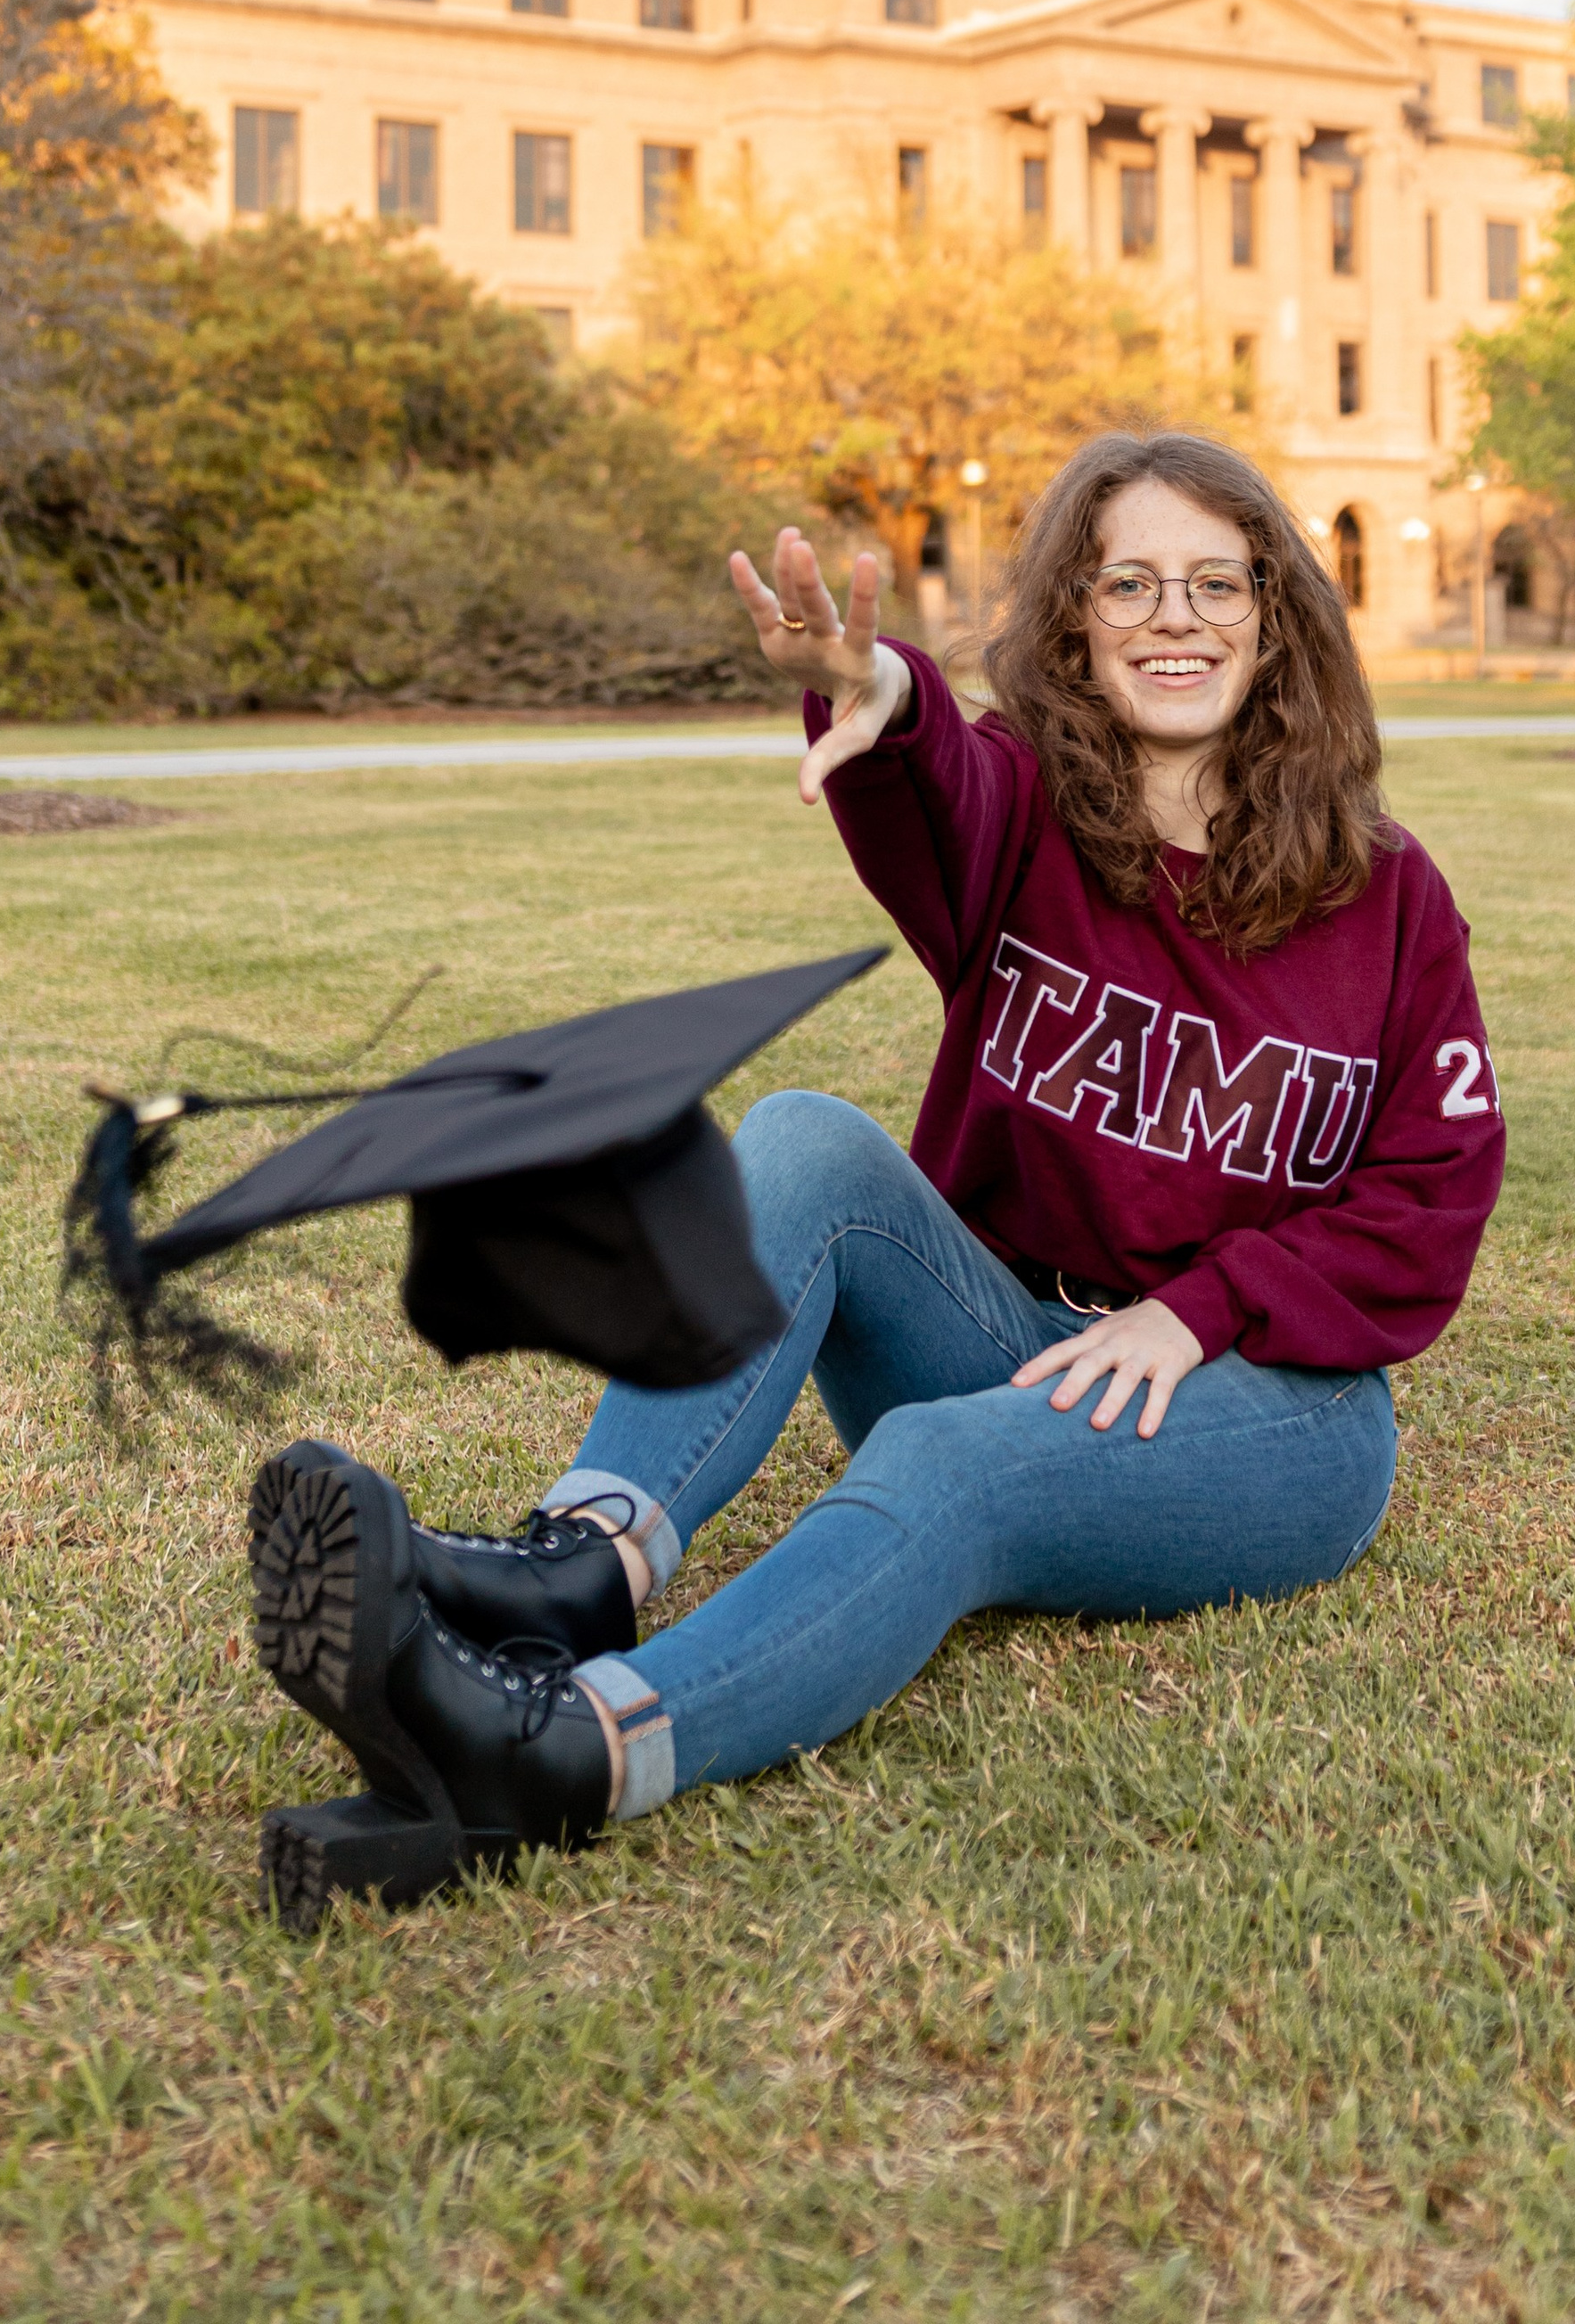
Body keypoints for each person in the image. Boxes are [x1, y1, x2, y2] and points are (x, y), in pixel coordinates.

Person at [250, 431, 1505, 1894]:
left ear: (1276, 616)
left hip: (1272, 1410)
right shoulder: (1026, 812)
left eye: (1217, 584)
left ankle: (563, 1751)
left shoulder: (1387, 894)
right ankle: (581, 1568)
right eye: (1131, 585)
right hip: (1016, 1335)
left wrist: (1200, 1311)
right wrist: (883, 692)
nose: (1177, 618)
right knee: (802, 1136)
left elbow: (1429, 1201)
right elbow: (934, 771)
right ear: (1076, 621)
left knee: (949, 1462)